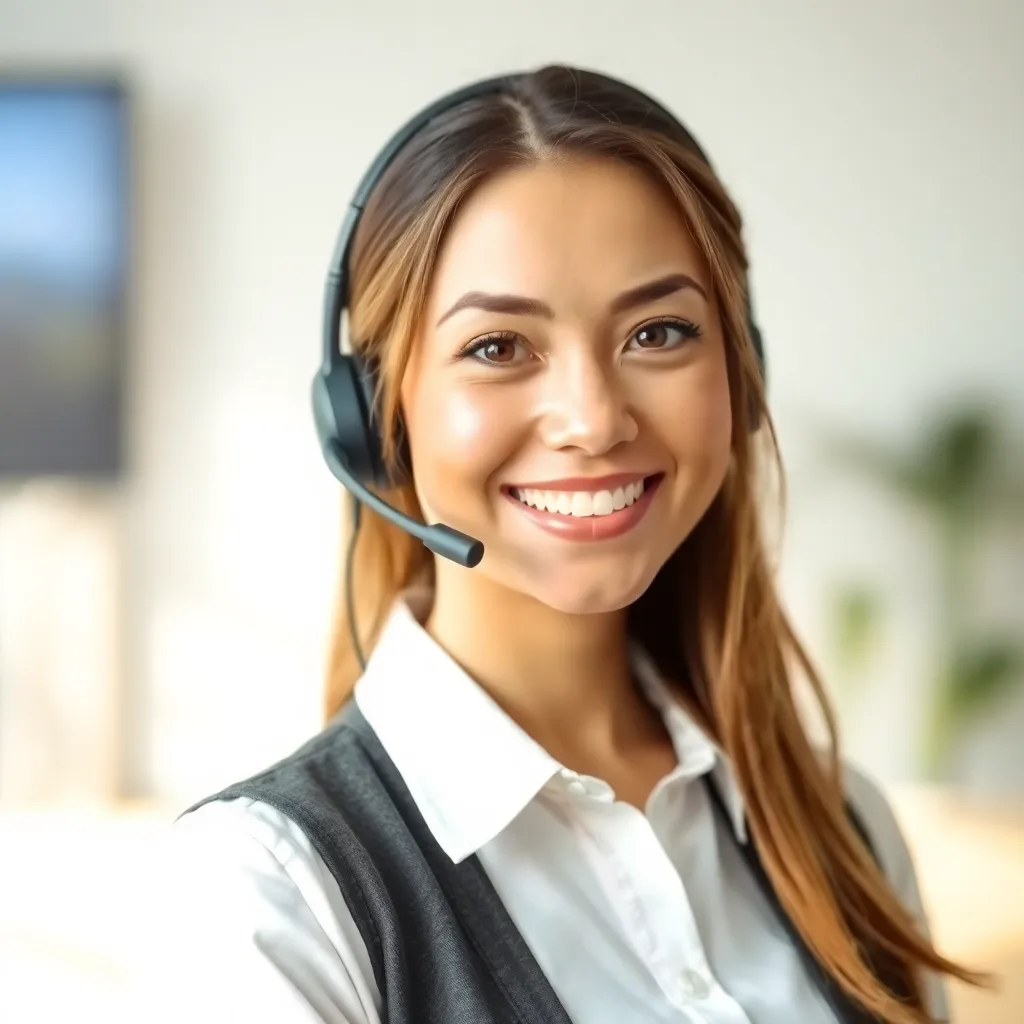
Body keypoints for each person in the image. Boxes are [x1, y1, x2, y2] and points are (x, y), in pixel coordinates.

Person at [166, 65, 982, 1023]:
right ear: (375, 419)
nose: (593, 420)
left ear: (742, 375)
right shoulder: (271, 893)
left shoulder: (846, 828)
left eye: (659, 331)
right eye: (498, 347)